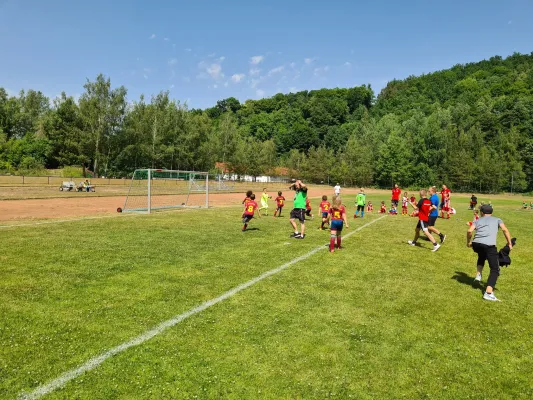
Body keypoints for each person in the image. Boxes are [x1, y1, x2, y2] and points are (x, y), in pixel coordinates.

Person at [467, 204, 513, 301]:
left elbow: (469, 231)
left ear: (482, 212)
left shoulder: (477, 220)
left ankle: (478, 275)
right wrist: (509, 243)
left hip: (476, 244)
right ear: (491, 212)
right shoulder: (497, 219)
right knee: (495, 269)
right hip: (488, 246)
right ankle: (488, 293)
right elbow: (505, 230)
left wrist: (469, 242)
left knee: (482, 255)